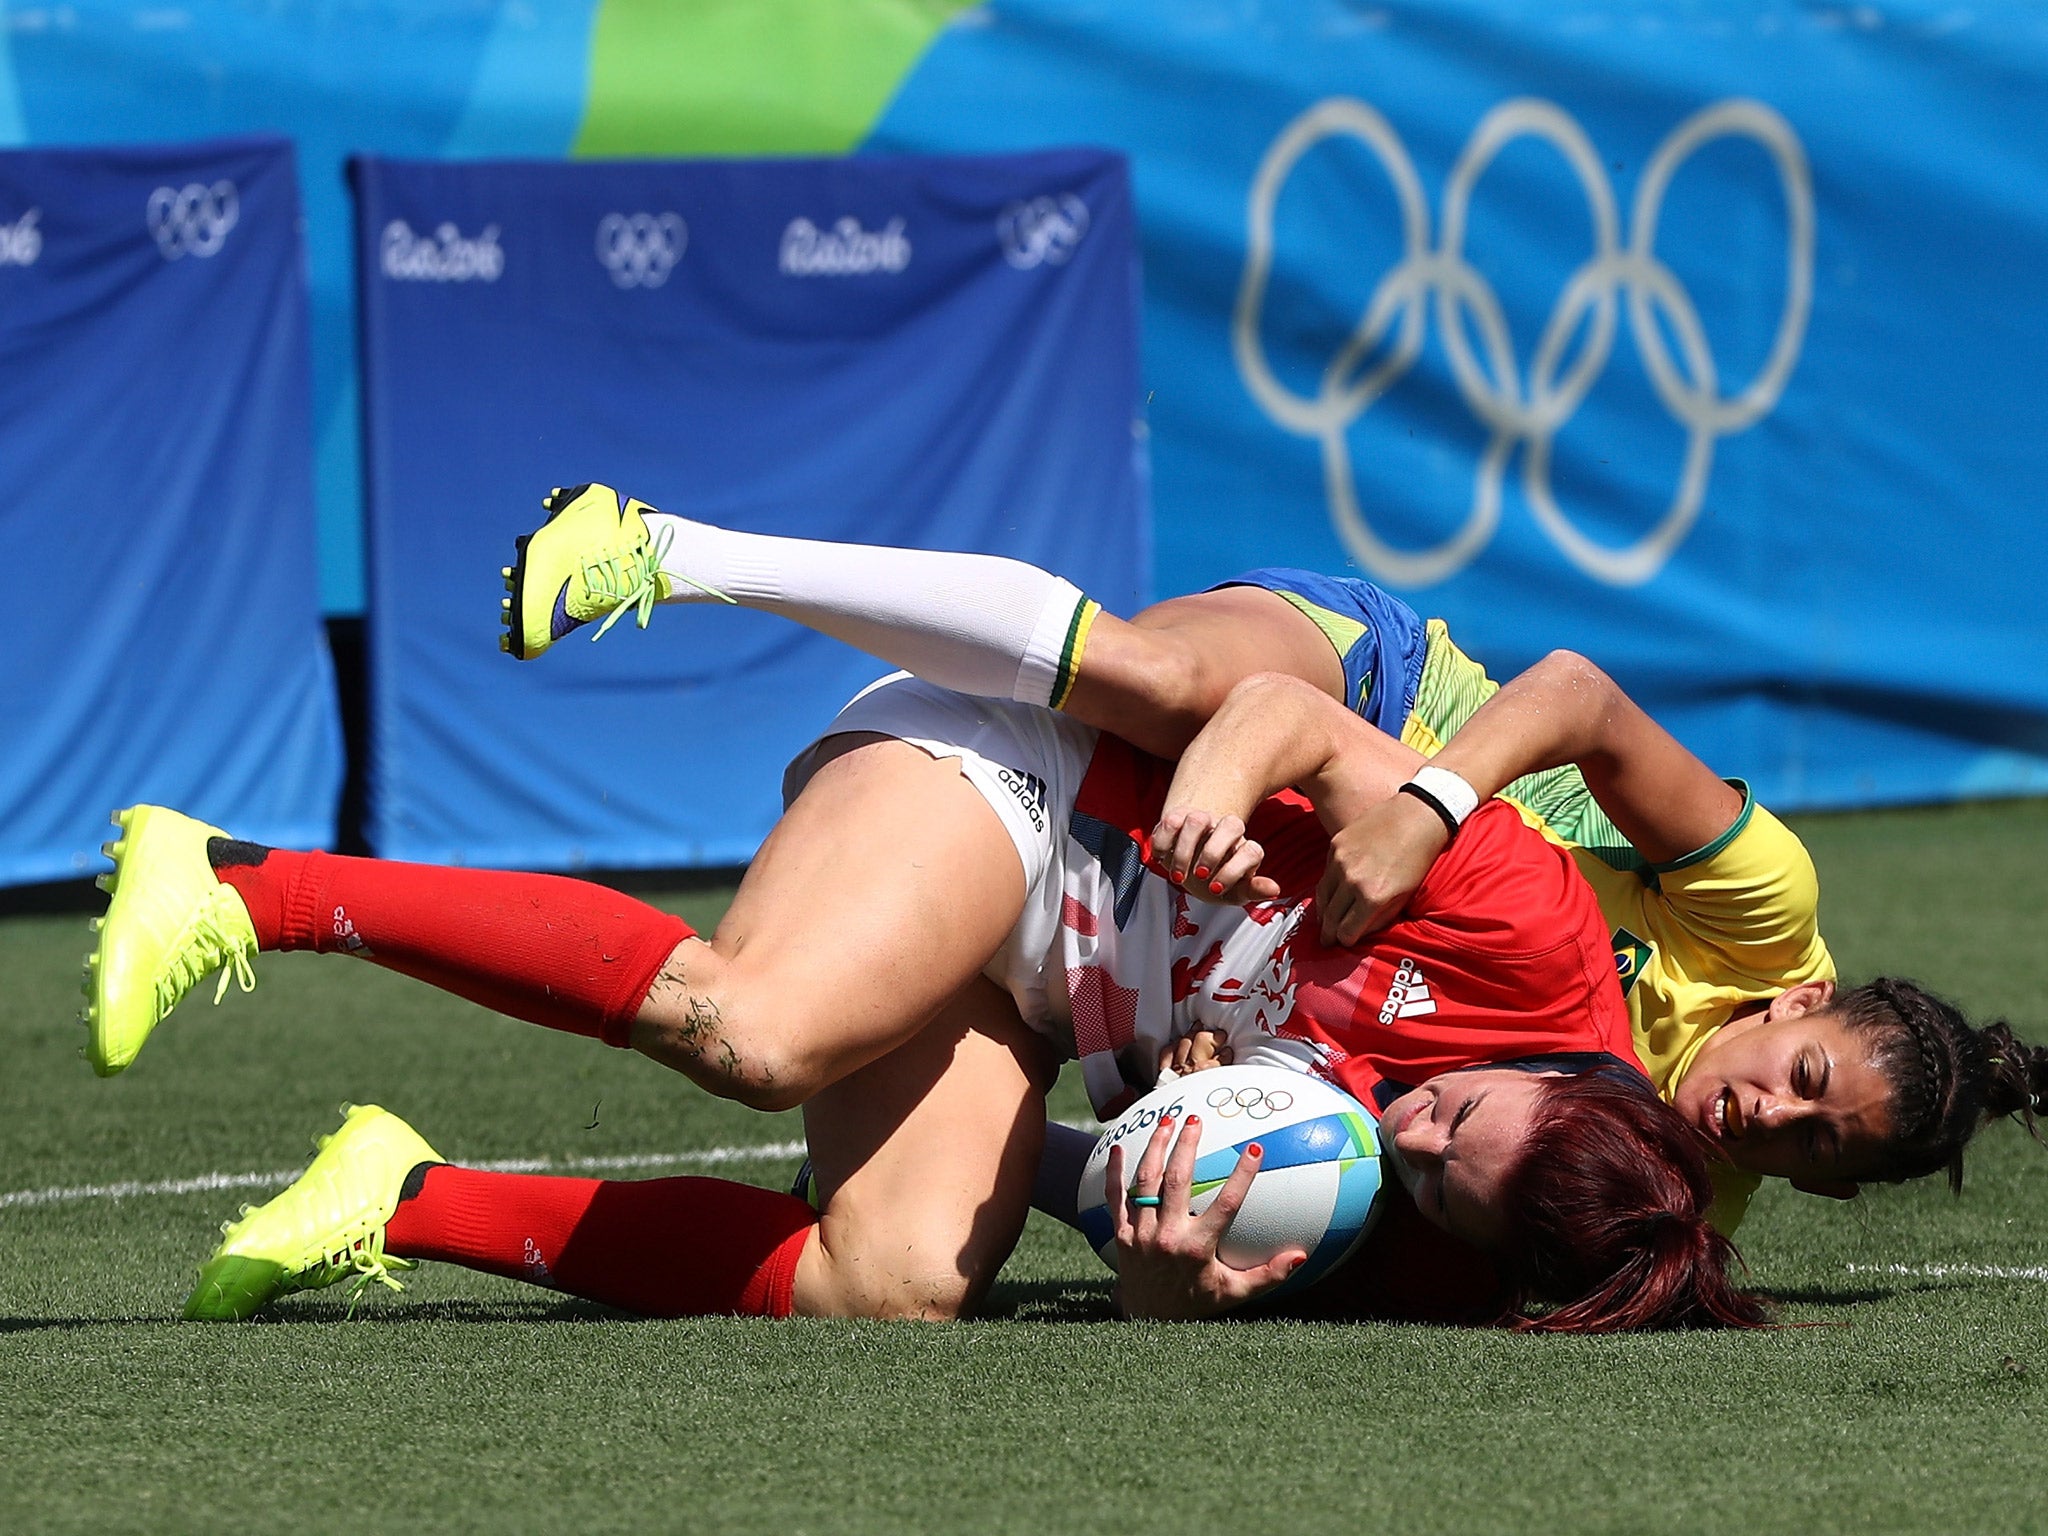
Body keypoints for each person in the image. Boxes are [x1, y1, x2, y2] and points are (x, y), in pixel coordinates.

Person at [499, 484, 2048, 1224]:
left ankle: (972, 1046)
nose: (1770, 1118)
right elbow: (1573, 694)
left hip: (1265, 939)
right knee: (1163, 684)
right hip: (1386, 703)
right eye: (1809, 1082)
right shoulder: (1765, 910)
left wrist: (1218, 1123)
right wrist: (1431, 801)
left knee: (916, 1256)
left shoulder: (1650, 1196)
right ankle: (677, 551)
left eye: (1812, 1149)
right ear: (1800, 1010)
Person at [88, 666, 1757, 1331]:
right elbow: (1276, 704)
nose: (1405, 1130)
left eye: (1424, 1174)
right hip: (1033, 794)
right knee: (761, 1033)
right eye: (1452, 1114)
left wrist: (1164, 1280)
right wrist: (1218, 790)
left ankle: (405, 1195)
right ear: (1573, 1078)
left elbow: (1174, 1221)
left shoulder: (1481, 1249)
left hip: (1039, 1007)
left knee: (883, 1288)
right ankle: (242, 880)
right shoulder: (1533, 933)